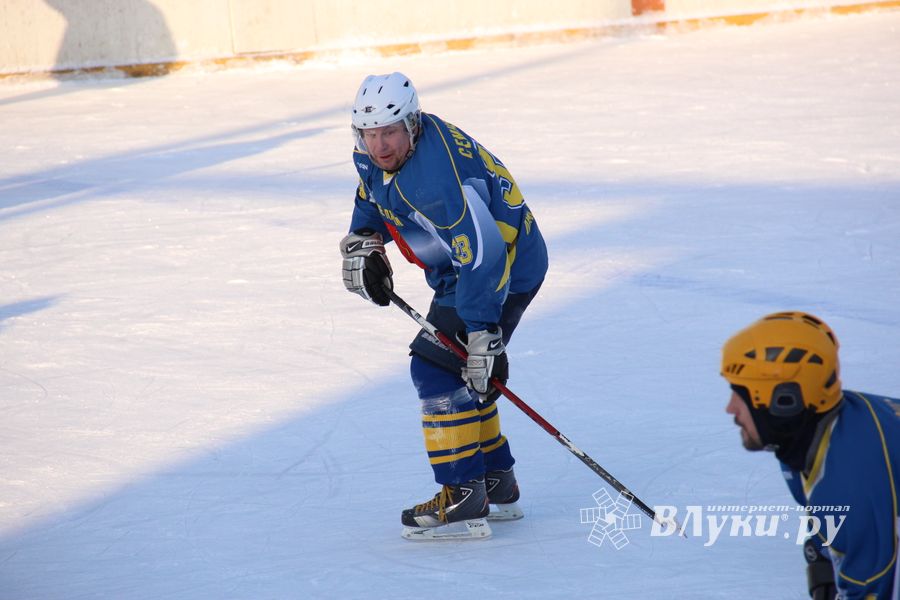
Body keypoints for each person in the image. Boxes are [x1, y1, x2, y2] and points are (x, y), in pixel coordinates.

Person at [339, 72, 549, 540]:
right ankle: (496, 482)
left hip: (501, 268)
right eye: (369, 134)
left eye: (389, 132)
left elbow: (484, 254)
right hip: (465, 267)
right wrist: (363, 240)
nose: (379, 146)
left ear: (412, 124)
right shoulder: (378, 152)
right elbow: (373, 191)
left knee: (436, 371)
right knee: (457, 372)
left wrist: (482, 333)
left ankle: (463, 494)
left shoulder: (438, 179)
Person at [721, 311, 900, 599]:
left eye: (741, 395)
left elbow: (871, 590)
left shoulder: (847, 485)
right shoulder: (805, 436)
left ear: (783, 403)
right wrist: (822, 563)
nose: (730, 408)